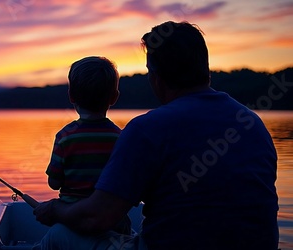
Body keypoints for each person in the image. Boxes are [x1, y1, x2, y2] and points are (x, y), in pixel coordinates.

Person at [33, 21, 279, 250]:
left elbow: (95, 218)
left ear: (158, 77)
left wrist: (55, 209)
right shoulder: (252, 125)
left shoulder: (148, 129)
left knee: (58, 235)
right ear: (205, 69)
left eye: (150, 70)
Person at [45, 56, 130, 234]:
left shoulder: (65, 137)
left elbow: (54, 182)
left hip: (70, 219)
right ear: (114, 97)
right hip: (111, 220)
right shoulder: (121, 138)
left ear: (71, 96)